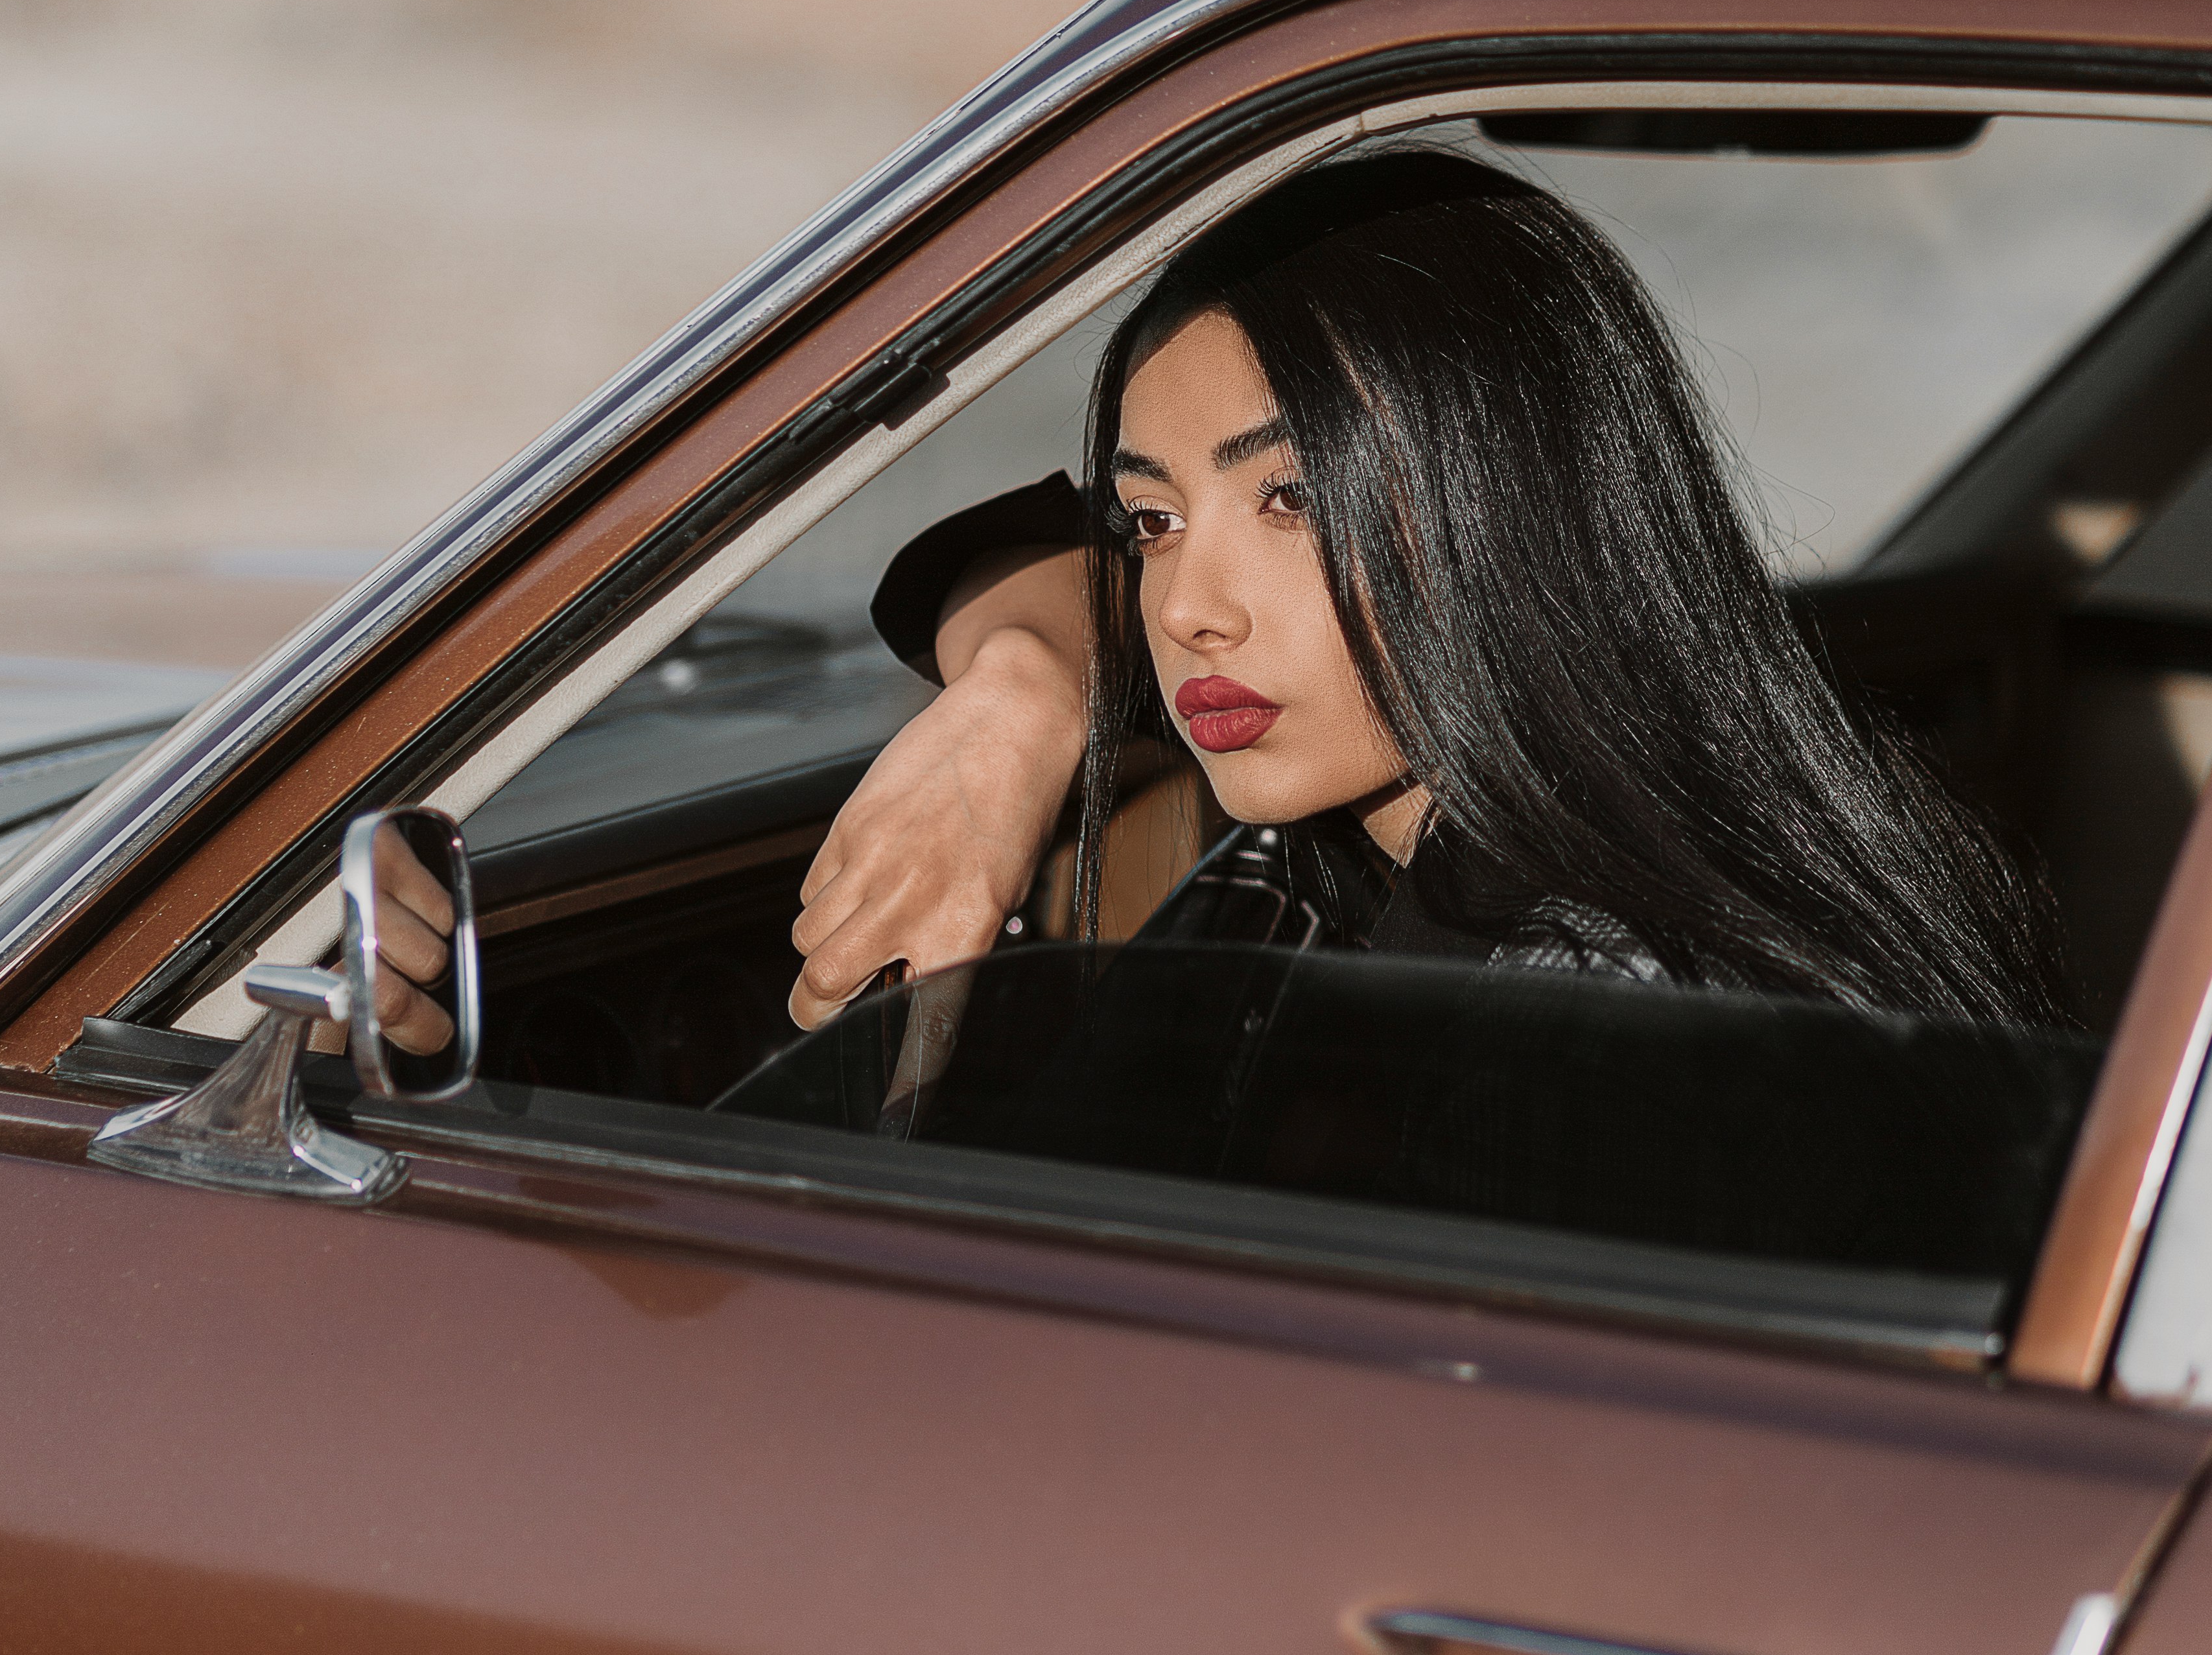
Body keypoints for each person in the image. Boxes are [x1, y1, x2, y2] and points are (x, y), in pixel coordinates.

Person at [788, 146, 2057, 1032]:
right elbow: (1015, 558)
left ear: (1514, 498)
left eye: (1290, 499)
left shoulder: (1582, 1009)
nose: (1185, 611)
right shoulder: (1487, 859)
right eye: (1155, 520)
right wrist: (1019, 699)